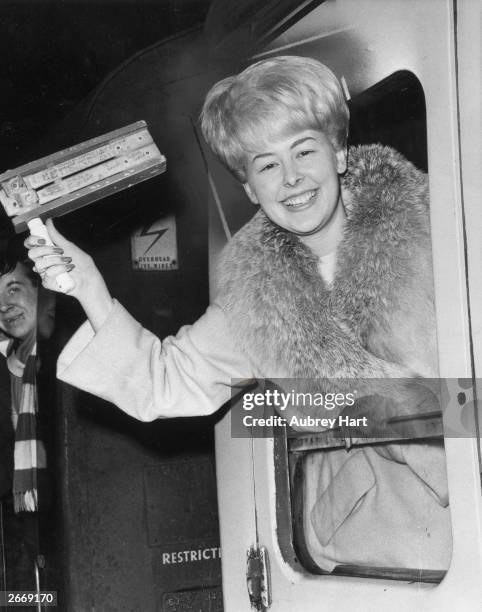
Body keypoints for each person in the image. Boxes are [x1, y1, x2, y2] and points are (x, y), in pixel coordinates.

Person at [26, 56, 451, 572]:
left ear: (338, 152)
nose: (292, 178)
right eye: (267, 164)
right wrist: (89, 286)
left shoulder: (439, 222)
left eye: (304, 150)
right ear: (250, 188)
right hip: (379, 546)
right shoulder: (256, 301)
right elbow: (164, 380)